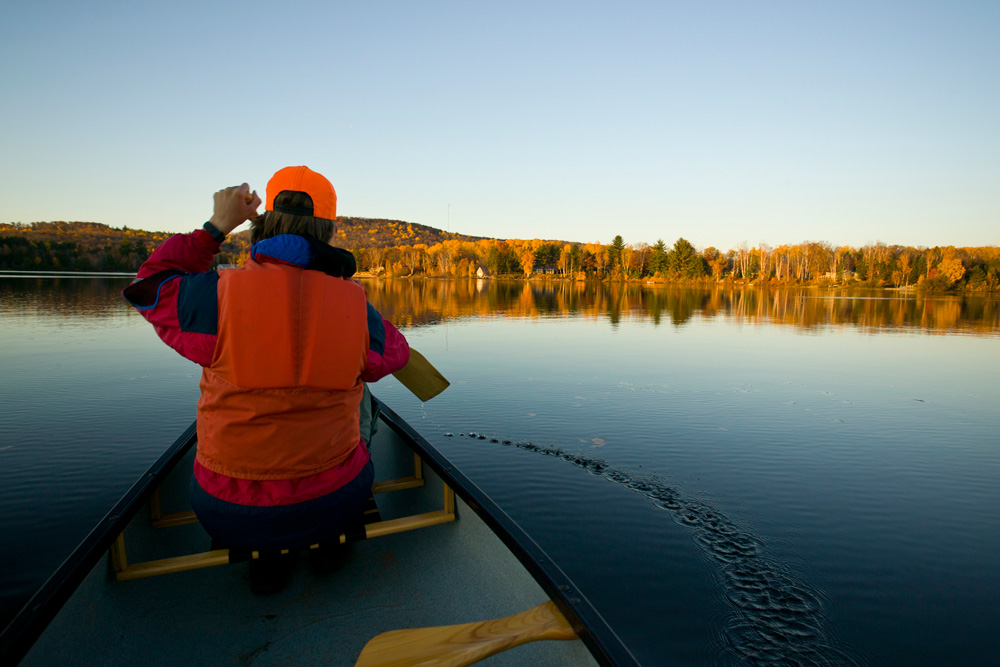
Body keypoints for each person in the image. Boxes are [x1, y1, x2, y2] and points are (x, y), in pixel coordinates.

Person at [123, 166, 409, 592]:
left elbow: (147, 284)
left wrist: (215, 229)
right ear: (329, 229)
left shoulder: (213, 296)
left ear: (264, 222)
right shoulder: (357, 306)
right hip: (335, 501)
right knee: (364, 393)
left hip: (227, 509)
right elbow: (395, 355)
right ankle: (328, 542)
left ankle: (266, 561)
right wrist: (342, 294)